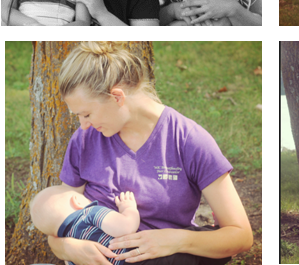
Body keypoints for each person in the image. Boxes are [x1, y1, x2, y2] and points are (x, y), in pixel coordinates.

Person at [47, 42, 252, 264]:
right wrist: (68, 248)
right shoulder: (85, 140)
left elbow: (240, 236)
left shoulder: (188, 140)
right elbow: (58, 221)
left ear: (117, 97)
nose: (83, 125)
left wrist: (177, 240)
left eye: (86, 114)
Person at [30, 186, 139, 263]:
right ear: (76, 201)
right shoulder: (89, 213)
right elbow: (126, 227)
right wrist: (128, 208)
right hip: (130, 259)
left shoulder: (69, 244)